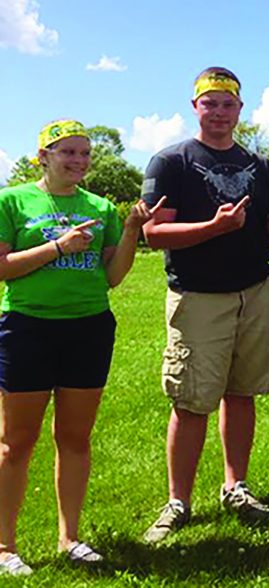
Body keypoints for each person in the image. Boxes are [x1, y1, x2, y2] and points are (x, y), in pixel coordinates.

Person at [140, 67, 269, 543]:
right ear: (196, 108)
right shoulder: (171, 162)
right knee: (191, 401)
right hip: (198, 296)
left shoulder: (261, 166)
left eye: (228, 104)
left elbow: (267, 235)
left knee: (242, 392)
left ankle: (236, 486)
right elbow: (152, 232)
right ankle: (178, 502)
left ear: (240, 110)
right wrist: (212, 227)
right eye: (210, 103)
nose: (220, 112)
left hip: (254, 291)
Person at [0, 120, 158, 575]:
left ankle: (70, 538)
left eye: (84, 153)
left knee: (74, 438)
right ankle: (6, 546)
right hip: (27, 328)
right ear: (42, 157)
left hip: (88, 329)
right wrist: (58, 248)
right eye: (67, 152)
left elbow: (112, 277)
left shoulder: (101, 207)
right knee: (16, 442)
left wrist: (130, 229)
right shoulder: (13, 201)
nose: (79, 161)